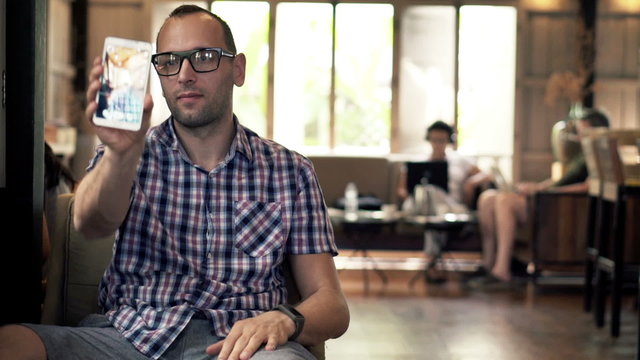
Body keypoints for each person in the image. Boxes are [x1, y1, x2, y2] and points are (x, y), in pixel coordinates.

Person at [0, 5, 349, 360]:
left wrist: (284, 320)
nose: (184, 74)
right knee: (11, 342)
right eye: (169, 61)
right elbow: (89, 223)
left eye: (204, 57)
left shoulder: (289, 171)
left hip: (240, 347)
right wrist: (122, 154)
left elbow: (333, 305)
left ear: (238, 69)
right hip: (129, 338)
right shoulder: (125, 153)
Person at [472, 108, 610, 287]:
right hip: (548, 197)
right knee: (488, 198)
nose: (579, 136)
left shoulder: (599, 156)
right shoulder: (582, 155)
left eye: (583, 131)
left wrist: (547, 193)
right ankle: (488, 264)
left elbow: (588, 185)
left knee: (504, 201)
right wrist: (537, 186)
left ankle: (502, 270)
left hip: (557, 206)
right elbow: (560, 180)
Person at [397, 120, 493, 211]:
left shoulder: (460, 160)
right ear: (429, 139)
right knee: (426, 191)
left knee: (434, 191)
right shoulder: (417, 162)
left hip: (450, 205)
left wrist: (471, 183)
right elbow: (402, 189)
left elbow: (487, 176)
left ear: (448, 140)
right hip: (419, 203)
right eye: (434, 140)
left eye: (441, 140)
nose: (437, 144)